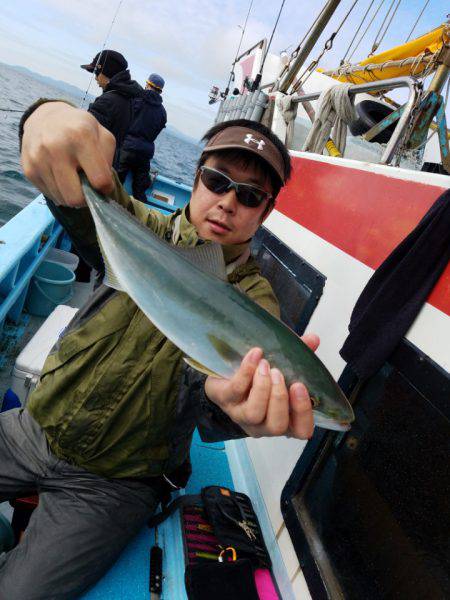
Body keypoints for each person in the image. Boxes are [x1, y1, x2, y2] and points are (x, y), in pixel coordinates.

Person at [5, 99, 319, 599]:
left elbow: (216, 401)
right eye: (218, 181)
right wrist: (43, 117)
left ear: (266, 210)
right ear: (196, 179)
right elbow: (77, 198)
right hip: (34, 426)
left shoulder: (257, 308)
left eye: (250, 194)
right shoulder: (140, 226)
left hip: (116, 483)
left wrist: (233, 411)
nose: (227, 203)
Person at [81, 49, 143, 168]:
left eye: (96, 73)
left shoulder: (108, 101)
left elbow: (85, 136)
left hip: (94, 166)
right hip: (110, 165)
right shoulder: (128, 98)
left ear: (105, 72)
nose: (95, 78)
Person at [117, 73, 167, 202]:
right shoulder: (162, 112)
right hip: (145, 153)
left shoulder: (135, 100)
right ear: (160, 91)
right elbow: (157, 130)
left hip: (127, 148)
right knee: (139, 191)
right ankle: (141, 216)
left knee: (116, 183)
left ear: (148, 85)